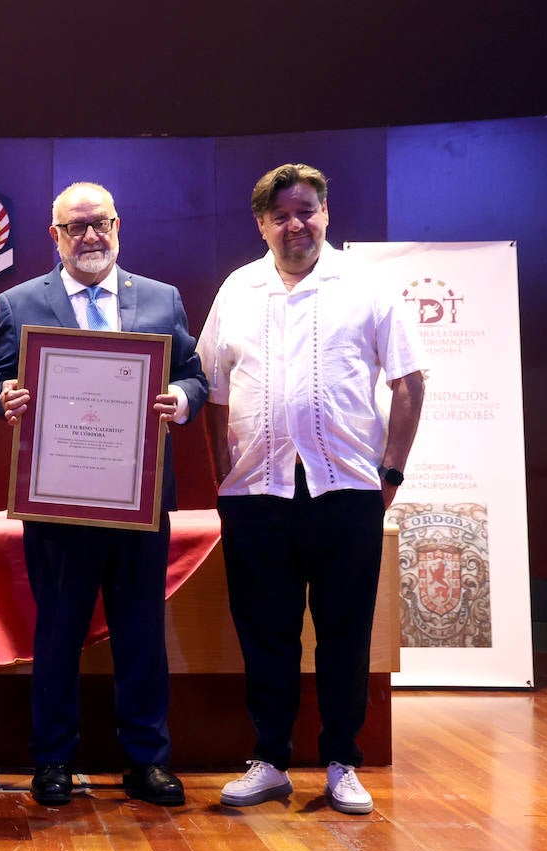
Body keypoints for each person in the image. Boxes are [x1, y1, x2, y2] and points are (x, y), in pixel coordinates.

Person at [197, 162, 426, 815]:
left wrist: (392, 474)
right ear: (261, 223)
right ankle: (270, 759)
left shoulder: (367, 286)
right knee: (265, 632)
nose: (295, 224)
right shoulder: (237, 289)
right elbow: (213, 392)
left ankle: (341, 761)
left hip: (348, 491)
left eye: (307, 211)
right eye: (281, 215)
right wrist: (222, 474)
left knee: (345, 632)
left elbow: (409, 382)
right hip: (255, 495)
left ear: (326, 213)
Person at [0, 182, 208, 806]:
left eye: (100, 224)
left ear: (119, 226)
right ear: (53, 236)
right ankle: (53, 761)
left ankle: (147, 760)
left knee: (141, 633)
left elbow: (193, 374)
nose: (90, 236)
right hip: (56, 502)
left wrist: (184, 400)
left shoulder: (161, 300)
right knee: (56, 634)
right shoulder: (19, 301)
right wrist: (3, 396)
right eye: (75, 227)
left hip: (138, 501)